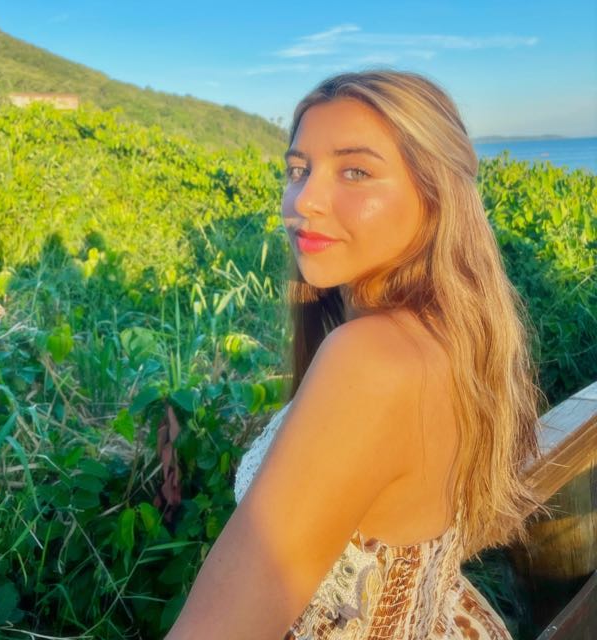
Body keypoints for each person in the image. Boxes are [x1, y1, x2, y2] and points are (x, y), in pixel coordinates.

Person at [164, 70, 549, 639]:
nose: (304, 200)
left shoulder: (369, 360)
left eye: (355, 171)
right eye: (298, 170)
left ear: (435, 193)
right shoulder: (451, 335)